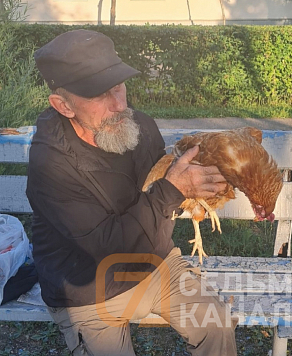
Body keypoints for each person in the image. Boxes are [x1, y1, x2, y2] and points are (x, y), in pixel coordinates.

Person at [26, 29, 238, 356]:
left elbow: (166, 197)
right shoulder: (50, 165)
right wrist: (171, 190)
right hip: (87, 287)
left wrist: (207, 184)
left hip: (155, 263)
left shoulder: (138, 126)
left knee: (218, 327)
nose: (118, 105)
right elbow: (105, 246)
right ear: (62, 105)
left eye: (118, 87)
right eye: (99, 95)